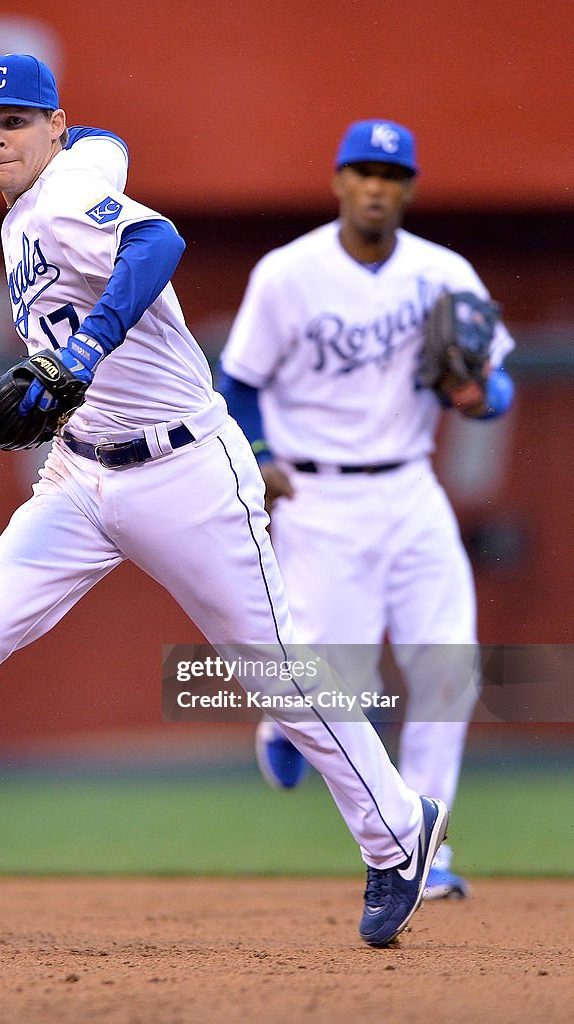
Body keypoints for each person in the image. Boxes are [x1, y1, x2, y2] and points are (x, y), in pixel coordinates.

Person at [0, 61, 449, 947]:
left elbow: (158, 244)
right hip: (79, 477)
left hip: (186, 472)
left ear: (51, 123)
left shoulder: (68, 197)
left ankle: (397, 834)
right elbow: (100, 141)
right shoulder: (73, 165)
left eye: (15, 121)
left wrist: (81, 357)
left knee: (277, 666)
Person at [218, 118, 515, 901]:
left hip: (412, 487)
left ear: (409, 188)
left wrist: (480, 395)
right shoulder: (289, 272)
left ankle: (426, 846)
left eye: (391, 174)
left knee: (447, 665)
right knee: (336, 684)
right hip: (317, 494)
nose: (377, 186)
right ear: (339, 182)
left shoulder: (446, 273)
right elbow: (238, 379)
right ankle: (285, 724)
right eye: (363, 171)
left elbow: (496, 382)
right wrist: (256, 454)